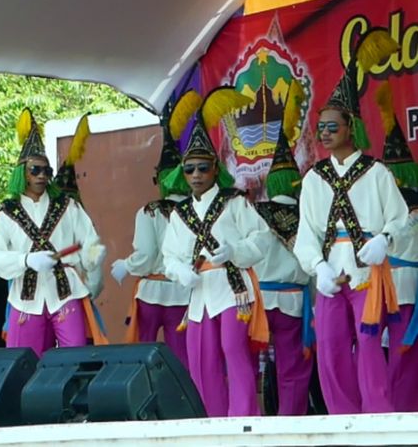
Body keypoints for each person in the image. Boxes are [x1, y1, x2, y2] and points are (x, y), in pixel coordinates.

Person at [294, 29, 407, 414]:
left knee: (371, 345)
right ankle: (343, 419)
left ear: (351, 128)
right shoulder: (312, 178)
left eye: (332, 127)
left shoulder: (376, 173)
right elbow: (305, 233)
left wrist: (385, 239)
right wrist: (318, 268)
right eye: (320, 128)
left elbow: (400, 217)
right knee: (330, 348)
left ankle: (379, 417)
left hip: (367, 271)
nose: (324, 133)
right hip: (330, 272)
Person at [161, 87, 268, 417]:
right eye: (190, 168)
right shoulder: (178, 214)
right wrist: (181, 271)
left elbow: (261, 238)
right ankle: (212, 423)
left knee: (233, 351)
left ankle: (244, 420)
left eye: (202, 168)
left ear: (214, 170)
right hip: (199, 292)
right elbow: (169, 258)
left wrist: (234, 250)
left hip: (233, 288)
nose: (195, 175)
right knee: (201, 358)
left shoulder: (234, 201)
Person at [0, 108, 106, 357]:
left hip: (67, 291)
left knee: (75, 357)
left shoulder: (67, 206)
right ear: (22, 172)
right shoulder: (6, 212)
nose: (42, 176)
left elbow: (91, 241)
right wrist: (26, 260)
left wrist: (92, 261)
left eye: (46, 171)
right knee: (24, 361)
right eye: (35, 170)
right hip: (25, 297)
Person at [110, 94, 192, 369]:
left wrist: (127, 264)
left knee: (144, 354)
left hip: (151, 292)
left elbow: (145, 255)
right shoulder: (199, 209)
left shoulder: (150, 211)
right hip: (183, 291)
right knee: (182, 357)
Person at [252, 80, 314, 415]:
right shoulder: (306, 213)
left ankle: (253, 420)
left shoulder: (254, 212)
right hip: (292, 301)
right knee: (292, 366)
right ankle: (291, 422)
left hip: (259, 299)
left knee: (250, 365)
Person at [375, 80, 418, 413]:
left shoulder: (380, 209)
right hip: (393, 288)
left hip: (391, 288)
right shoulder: (381, 209)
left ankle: (392, 413)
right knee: (401, 357)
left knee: (393, 356)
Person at [51, 113, 108, 346]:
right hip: (38, 291)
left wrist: (90, 286)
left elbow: (93, 251)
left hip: (73, 289)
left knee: (77, 345)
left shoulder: (77, 214)